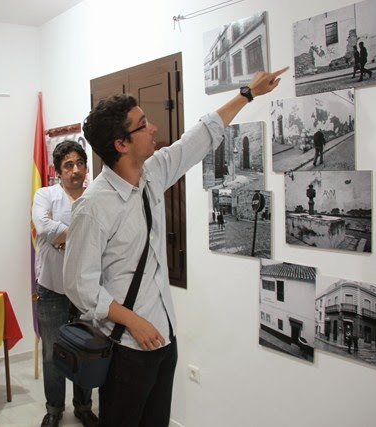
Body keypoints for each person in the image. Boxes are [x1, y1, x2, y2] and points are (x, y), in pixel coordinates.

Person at [64, 67, 288, 426]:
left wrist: (247, 94)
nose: (153, 128)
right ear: (121, 144)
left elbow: (197, 139)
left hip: (164, 337)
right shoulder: (93, 207)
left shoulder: (152, 174)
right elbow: (79, 285)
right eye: (142, 125)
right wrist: (133, 321)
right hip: (126, 346)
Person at [32, 141, 98, 427]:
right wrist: (81, 237)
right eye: (68, 165)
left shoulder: (95, 197)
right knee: (52, 352)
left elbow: (102, 235)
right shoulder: (45, 195)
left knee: (86, 350)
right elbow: (43, 227)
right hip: (52, 288)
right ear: (58, 171)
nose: (75, 170)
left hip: (86, 290)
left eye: (80, 163)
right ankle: (54, 408)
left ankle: (83, 407)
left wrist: (62, 240)